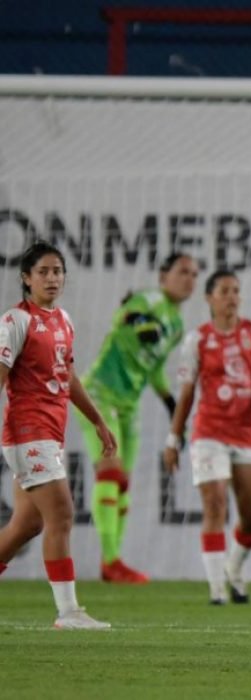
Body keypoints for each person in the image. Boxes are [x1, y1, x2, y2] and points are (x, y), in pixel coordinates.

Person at [0, 240, 117, 628]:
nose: (52, 278)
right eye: (43, 272)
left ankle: (69, 611)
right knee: (62, 514)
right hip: (27, 431)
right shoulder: (15, 321)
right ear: (26, 278)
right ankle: (68, 612)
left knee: (27, 525)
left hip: (50, 432)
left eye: (57, 271)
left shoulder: (63, 320)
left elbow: (67, 377)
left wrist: (97, 420)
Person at [77, 252, 198, 583]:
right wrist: (141, 324)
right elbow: (125, 316)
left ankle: (112, 561)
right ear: (163, 276)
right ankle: (110, 559)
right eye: (183, 271)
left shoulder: (176, 325)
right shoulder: (149, 298)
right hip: (99, 394)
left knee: (124, 483)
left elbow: (154, 367)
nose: (189, 279)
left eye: (194, 274)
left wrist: (170, 402)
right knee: (110, 473)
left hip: (130, 404)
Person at [163, 270, 251, 604]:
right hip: (209, 432)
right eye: (225, 291)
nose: (232, 297)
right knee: (214, 504)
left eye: (236, 291)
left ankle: (234, 567)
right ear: (209, 298)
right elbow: (186, 393)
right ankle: (216, 589)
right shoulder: (197, 340)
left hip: (248, 432)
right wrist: (174, 438)